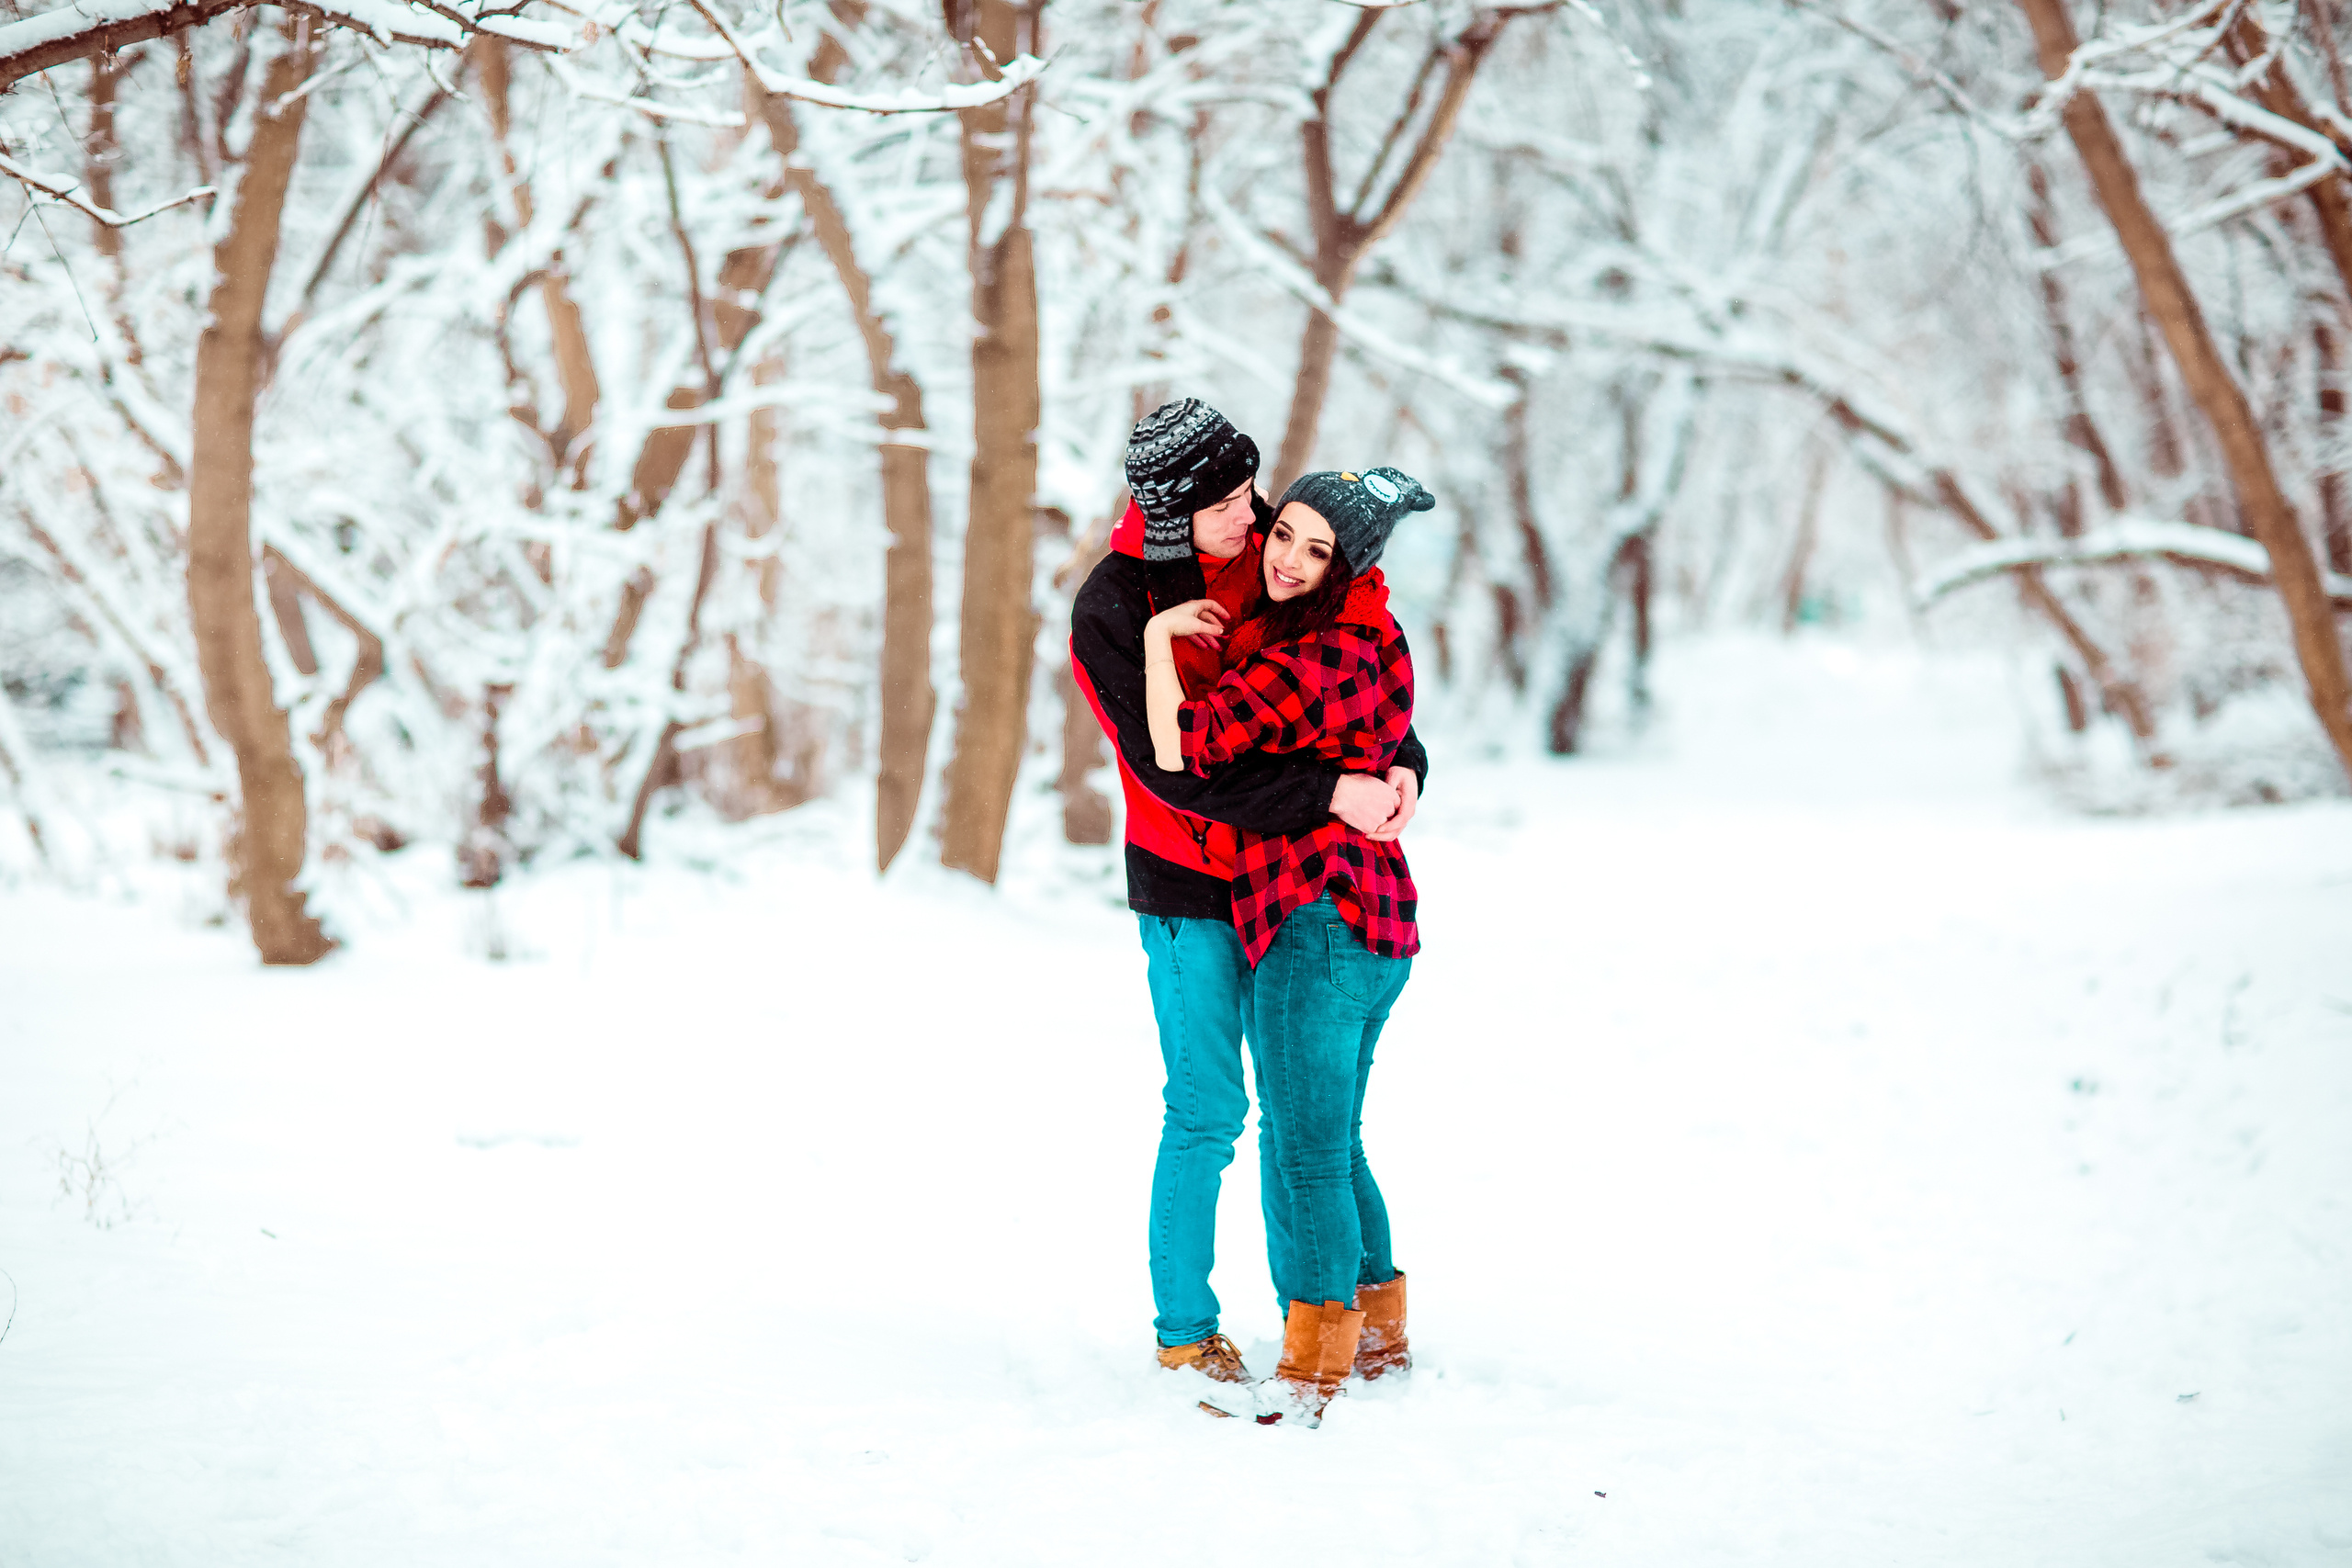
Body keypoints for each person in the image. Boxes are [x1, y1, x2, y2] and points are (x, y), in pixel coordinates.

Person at [1068, 400, 1429, 1395]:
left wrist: (1402, 765)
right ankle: (1186, 1329)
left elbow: (1350, 657)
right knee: (1207, 1109)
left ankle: (1343, 1322)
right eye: (1227, 502)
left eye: (1251, 493)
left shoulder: (1271, 543)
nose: (1252, 514)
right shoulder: (1111, 604)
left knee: (1306, 1120)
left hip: (1292, 888)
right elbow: (1171, 770)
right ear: (1176, 510)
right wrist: (1327, 791)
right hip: (1191, 884)